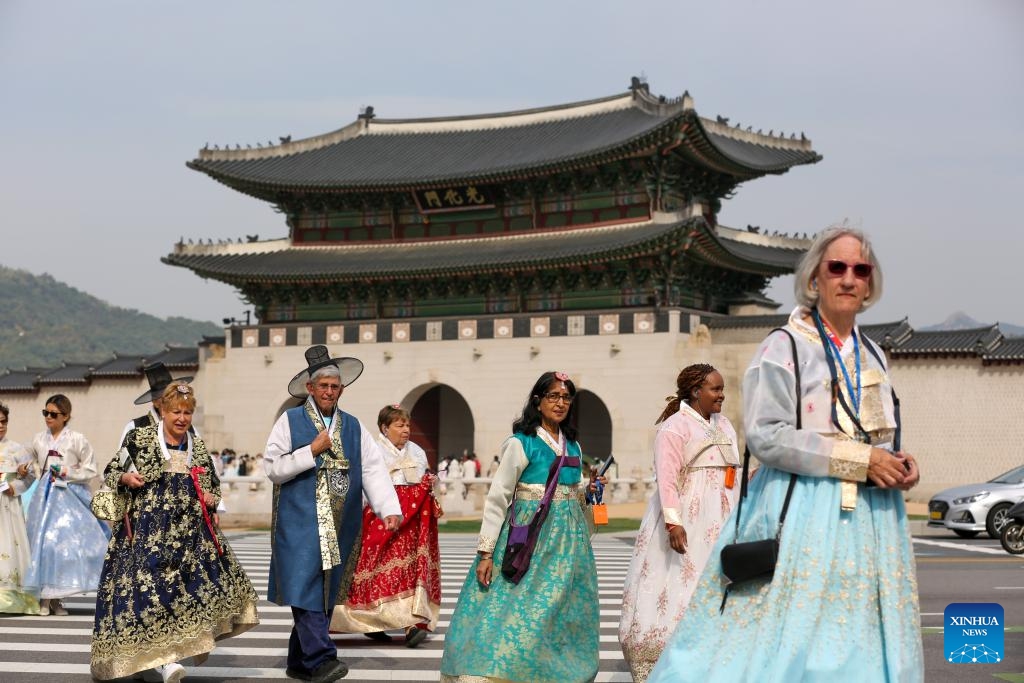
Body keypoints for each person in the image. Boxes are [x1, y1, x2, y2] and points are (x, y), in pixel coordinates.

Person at [648, 226, 923, 681]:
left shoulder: (874, 353)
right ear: (815, 278)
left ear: (871, 283)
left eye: (861, 269)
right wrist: (858, 459)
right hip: (806, 514)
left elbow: (876, 435)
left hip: (873, 518)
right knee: (794, 644)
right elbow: (766, 436)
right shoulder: (784, 347)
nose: (849, 278)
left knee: (863, 638)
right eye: (837, 267)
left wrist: (896, 463)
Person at [90, 383, 259, 683]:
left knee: (183, 596)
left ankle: (166, 659)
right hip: (146, 534)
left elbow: (213, 485)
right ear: (163, 411)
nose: (182, 418)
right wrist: (127, 477)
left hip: (188, 536)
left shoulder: (197, 445)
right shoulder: (140, 439)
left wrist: (211, 497)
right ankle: (161, 662)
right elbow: (111, 471)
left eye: (187, 412)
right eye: (176, 412)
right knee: (151, 595)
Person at [440, 371, 601, 683]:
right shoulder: (521, 442)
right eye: (553, 396)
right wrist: (486, 552)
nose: (561, 403)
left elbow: (572, 495)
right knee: (518, 607)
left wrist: (589, 489)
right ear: (538, 402)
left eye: (566, 398)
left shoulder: (574, 446)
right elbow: (499, 495)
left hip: (568, 544)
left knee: (560, 609)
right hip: (530, 536)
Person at [263, 346, 402, 683]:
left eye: (334, 386)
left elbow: (371, 469)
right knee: (303, 583)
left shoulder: (353, 426)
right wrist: (310, 451)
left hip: (341, 521)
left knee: (326, 588)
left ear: (341, 389)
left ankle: (300, 661)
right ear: (310, 388)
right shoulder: (290, 421)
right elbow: (273, 467)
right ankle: (322, 657)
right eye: (322, 386)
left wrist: (389, 507)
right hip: (300, 521)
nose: (328, 392)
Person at [618, 364, 741, 681]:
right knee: (680, 582)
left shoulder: (724, 424)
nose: (721, 395)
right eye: (715, 389)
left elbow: (733, 472)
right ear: (696, 391)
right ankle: (667, 661)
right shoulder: (674, 427)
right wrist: (674, 523)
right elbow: (667, 481)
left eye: (722, 388)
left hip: (723, 515)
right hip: (689, 516)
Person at [331, 404, 442, 647]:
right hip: (380, 521)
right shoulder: (373, 451)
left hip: (411, 525)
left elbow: (425, 482)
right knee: (374, 572)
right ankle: (372, 621)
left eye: (408, 425)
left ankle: (412, 624)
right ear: (385, 428)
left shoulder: (417, 451)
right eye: (400, 425)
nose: (406, 430)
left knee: (410, 571)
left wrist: (430, 484)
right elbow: (364, 486)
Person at [24, 394, 109, 617]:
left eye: (54, 414)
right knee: (45, 546)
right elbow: (32, 463)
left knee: (65, 549)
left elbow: (91, 469)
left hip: (70, 498)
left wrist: (67, 472)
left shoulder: (77, 439)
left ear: (66, 416)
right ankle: (45, 597)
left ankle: (55, 599)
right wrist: (27, 469)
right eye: (45, 413)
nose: (48, 417)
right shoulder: (38, 440)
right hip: (44, 498)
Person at [0, 403, 40, 615]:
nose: (0, 426)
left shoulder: (17, 449)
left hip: (8, 507)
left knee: (8, 545)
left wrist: (15, 486)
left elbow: (31, 475)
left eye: (3, 422)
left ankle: (11, 598)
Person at [118, 362, 195, 446]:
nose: (169, 401)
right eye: (164, 399)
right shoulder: (135, 428)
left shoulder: (190, 430)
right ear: (155, 402)